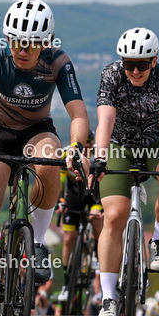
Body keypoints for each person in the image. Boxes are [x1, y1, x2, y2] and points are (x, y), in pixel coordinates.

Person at [0, 0, 90, 316]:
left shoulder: (58, 63)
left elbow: (78, 112)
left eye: (32, 43)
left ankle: (35, 244)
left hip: (37, 131)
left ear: (45, 42)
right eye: (16, 41)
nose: (23, 49)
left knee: (51, 161)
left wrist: (77, 147)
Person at [90, 28, 159, 316]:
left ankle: (157, 240)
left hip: (155, 143)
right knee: (114, 216)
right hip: (119, 146)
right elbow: (106, 119)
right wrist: (100, 157)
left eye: (141, 64)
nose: (134, 70)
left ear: (154, 61)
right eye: (129, 63)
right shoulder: (112, 74)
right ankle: (108, 298)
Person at [56, 130, 104, 304]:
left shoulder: (99, 154)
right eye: (85, 145)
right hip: (74, 195)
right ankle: (67, 283)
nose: (87, 149)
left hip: (93, 195)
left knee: (95, 218)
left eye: (90, 145)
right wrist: (60, 201)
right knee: (68, 238)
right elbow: (60, 181)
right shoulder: (66, 154)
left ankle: (97, 256)